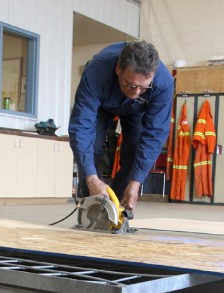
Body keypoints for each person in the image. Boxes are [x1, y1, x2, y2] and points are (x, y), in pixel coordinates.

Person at [69, 41, 173, 212]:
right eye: (131, 85)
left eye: (144, 87)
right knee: (92, 148)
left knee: (135, 149)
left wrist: (136, 182)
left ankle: (116, 207)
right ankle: (92, 203)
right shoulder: (96, 71)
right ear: (118, 69)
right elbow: (81, 125)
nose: (137, 92)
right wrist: (90, 177)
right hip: (103, 104)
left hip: (138, 111)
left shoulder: (163, 83)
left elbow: (155, 133)